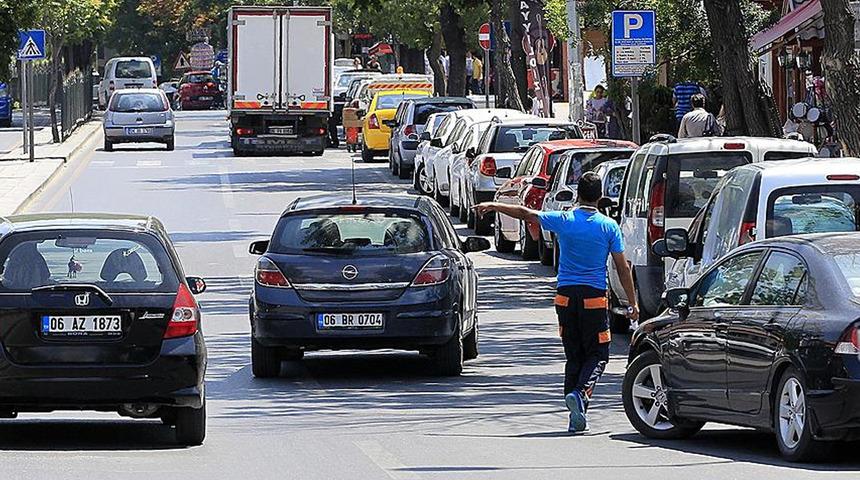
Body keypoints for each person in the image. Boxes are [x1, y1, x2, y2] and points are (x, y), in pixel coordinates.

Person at [474, 172, 638, 434]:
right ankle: (580, 394)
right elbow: (622, 268)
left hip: (564, 298)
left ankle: (575, 411)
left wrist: (493, 205)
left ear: (577, 194)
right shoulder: (608, 226)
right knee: (597, 354)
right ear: (600, 197)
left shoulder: (565, 219)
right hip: (594, 298)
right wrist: (632, 303)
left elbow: (525, 213)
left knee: (574, 354)